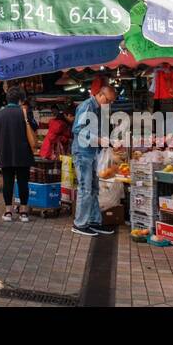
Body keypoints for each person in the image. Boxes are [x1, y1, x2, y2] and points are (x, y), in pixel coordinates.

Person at [71, 83, 118, 236]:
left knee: (94, 188)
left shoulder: (98, 109)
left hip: (92, 153)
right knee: (85, 188)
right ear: (101, 95)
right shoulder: (87, 106)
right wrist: (99, 140)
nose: (109, 104)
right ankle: (79, 224)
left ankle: (93, 221)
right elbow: (77, 130)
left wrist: (110, 142)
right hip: (82, 153)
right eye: (108, 100)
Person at [0, 87, 36, 222]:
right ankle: (23, 212)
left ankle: (8, 211)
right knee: (23, 182)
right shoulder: (24, 113)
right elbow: (34, 129)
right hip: (23, 153)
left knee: (7, 182)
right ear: (21, 100)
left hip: (5, 154)